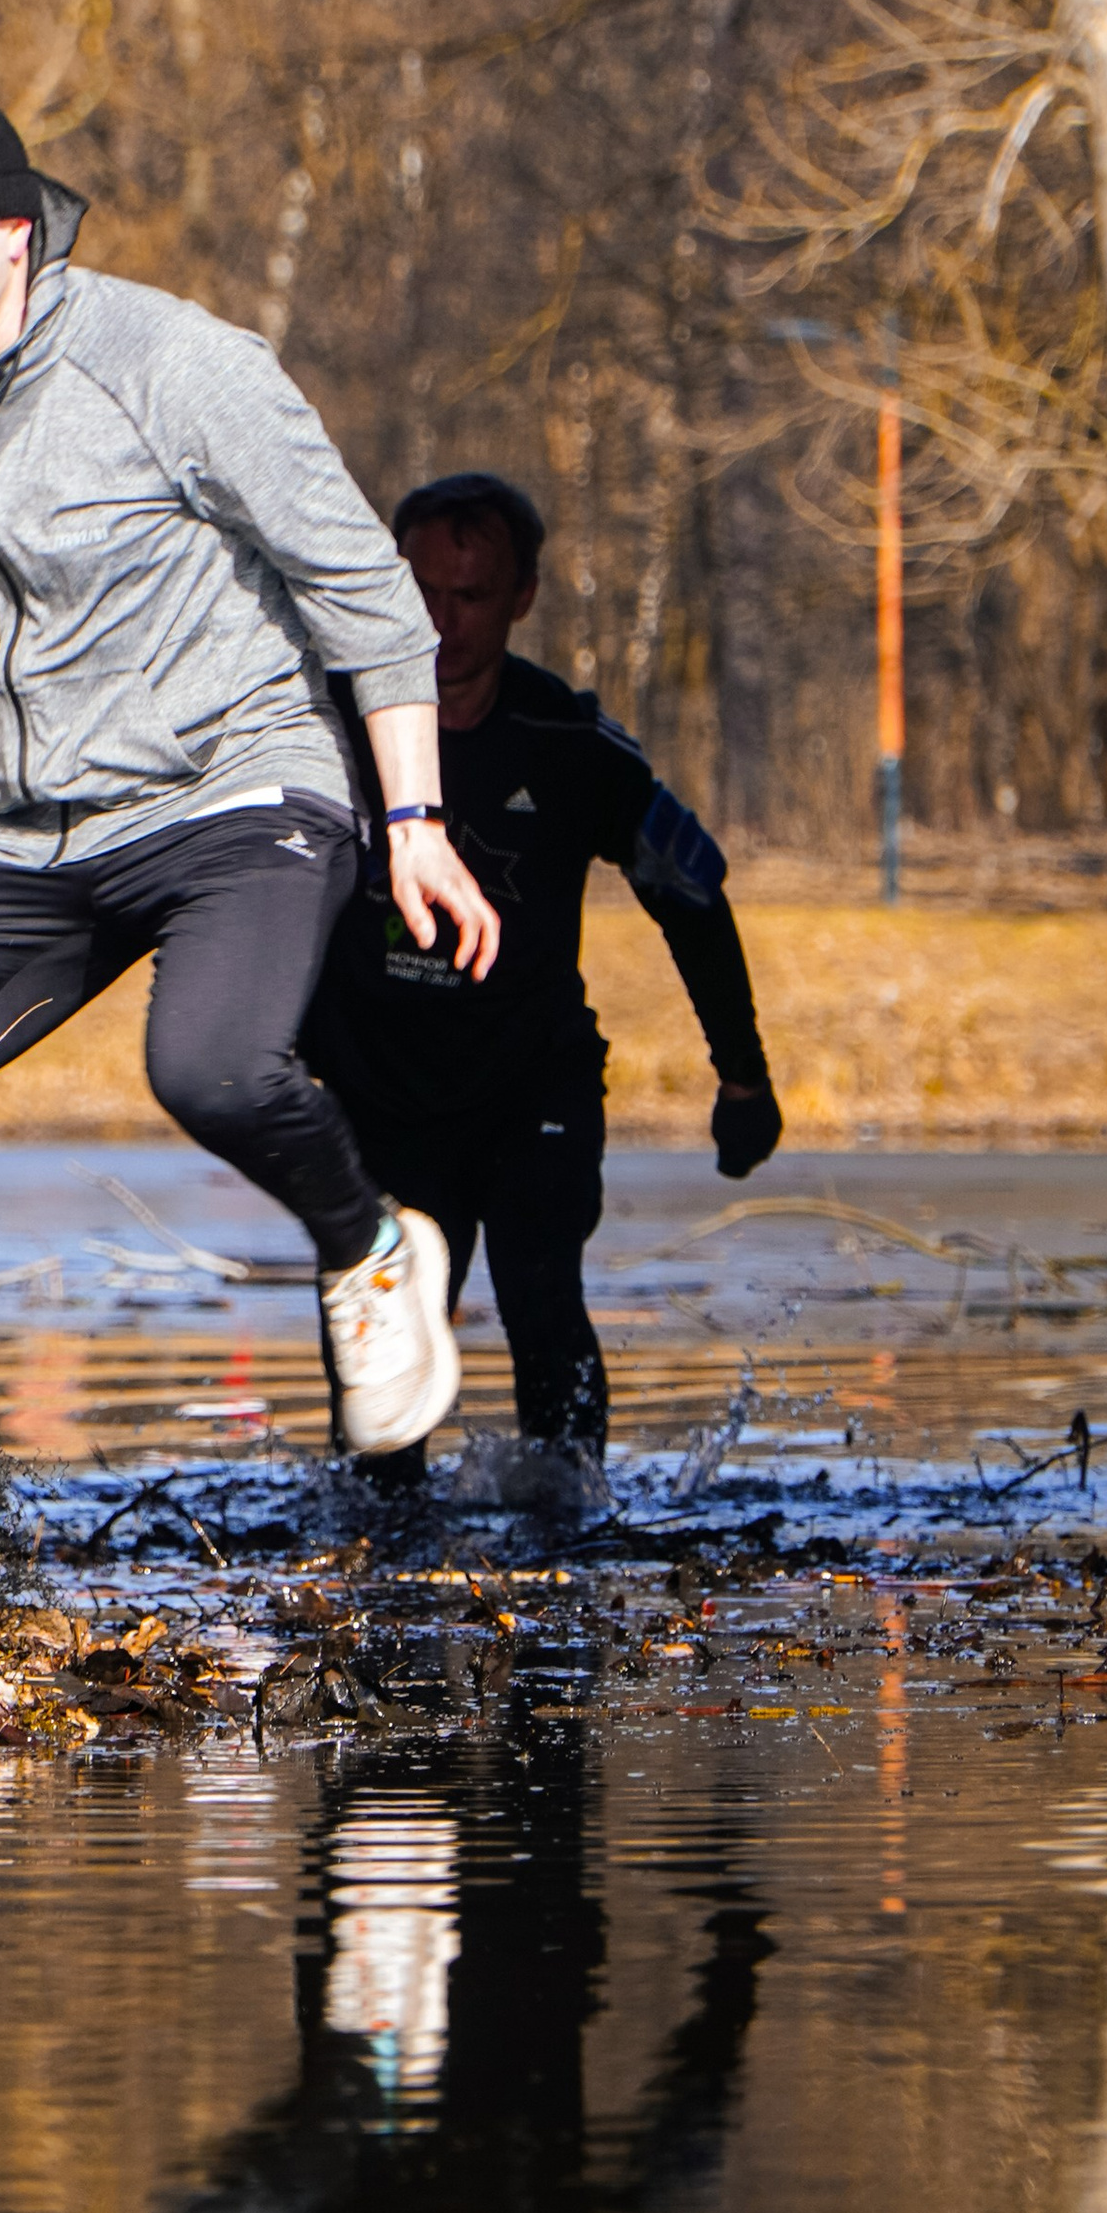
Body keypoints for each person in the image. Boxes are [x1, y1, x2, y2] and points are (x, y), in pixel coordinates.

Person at [0, 84, 501, 1565]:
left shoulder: (175, 364)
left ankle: (370, 1247)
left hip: (230, 789)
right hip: (11, 835)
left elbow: (360, 584)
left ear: (16, 237)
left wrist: (412, 814)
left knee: (210, 1066)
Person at [301, 469, 782, 1492]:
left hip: (531, 1085)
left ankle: (571, 1526)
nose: (442, 623)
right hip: (380, 1095)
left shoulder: (572, 747)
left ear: (521, 596)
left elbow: (690, 897)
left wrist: (741, 1075)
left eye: (471, 597)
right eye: (422, 592)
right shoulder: (323, 736)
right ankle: (377, 1547)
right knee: (382, 1327)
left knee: (538, 1287)